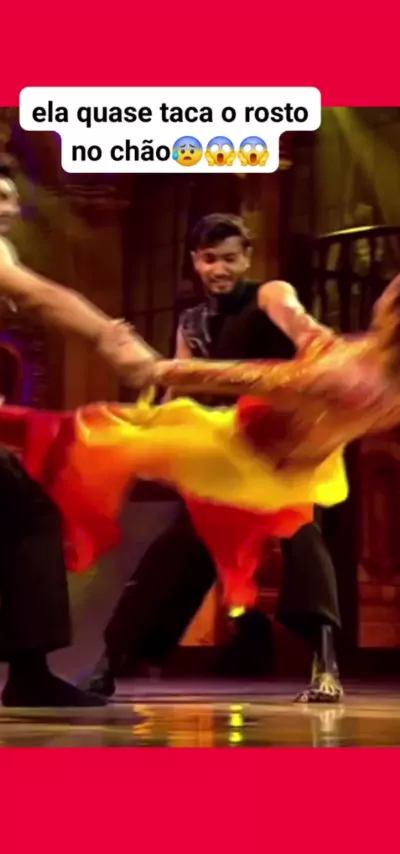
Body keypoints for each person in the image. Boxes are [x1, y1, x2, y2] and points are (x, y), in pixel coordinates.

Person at [0, 153, 156, 708]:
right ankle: (29, 673)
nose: (11, 209)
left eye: (14, 200)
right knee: (28, 516)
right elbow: (36, 293)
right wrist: (111, 337)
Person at [86, 214, 343, 704]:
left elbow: (296, 319)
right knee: (171, 555)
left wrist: (317, 341)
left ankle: (325, 668)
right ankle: (108, 665)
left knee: (304, 545)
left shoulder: (269, 294)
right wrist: (151, 437)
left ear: (246, 258)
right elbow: (180, 388)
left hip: (279, 449)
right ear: (194, 261)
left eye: (229, 258)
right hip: (224, 453)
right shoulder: (191, 321)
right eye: (209, 259)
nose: (219, 269)